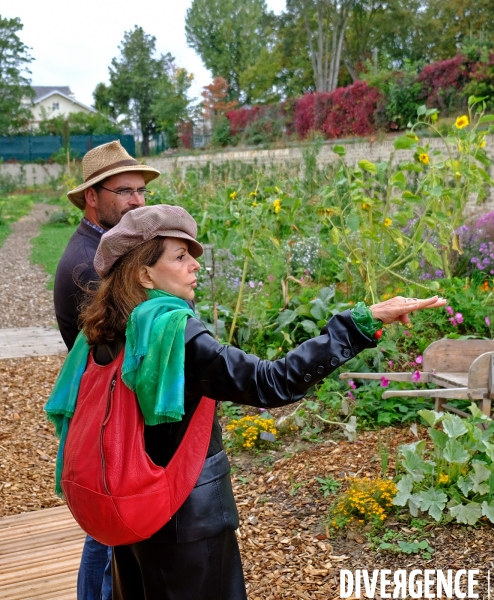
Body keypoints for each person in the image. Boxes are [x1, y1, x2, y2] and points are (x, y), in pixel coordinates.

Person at [48, 205, 446, 600]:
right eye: (180, 256)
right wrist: (360, 322)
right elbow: (271, 382)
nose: (195, 266)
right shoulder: (173, 333)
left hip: (130, 512)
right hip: (187, 520)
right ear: (143, 272)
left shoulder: (103, 331)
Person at [53, 140, 160, 600]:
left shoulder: (106, 250)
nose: (137, 201)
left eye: (141, 190)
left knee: (106, 527)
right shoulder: (88, 267)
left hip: (105, 408)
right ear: (92, 197)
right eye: (124, 191)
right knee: (107, 527)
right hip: (105, 415)